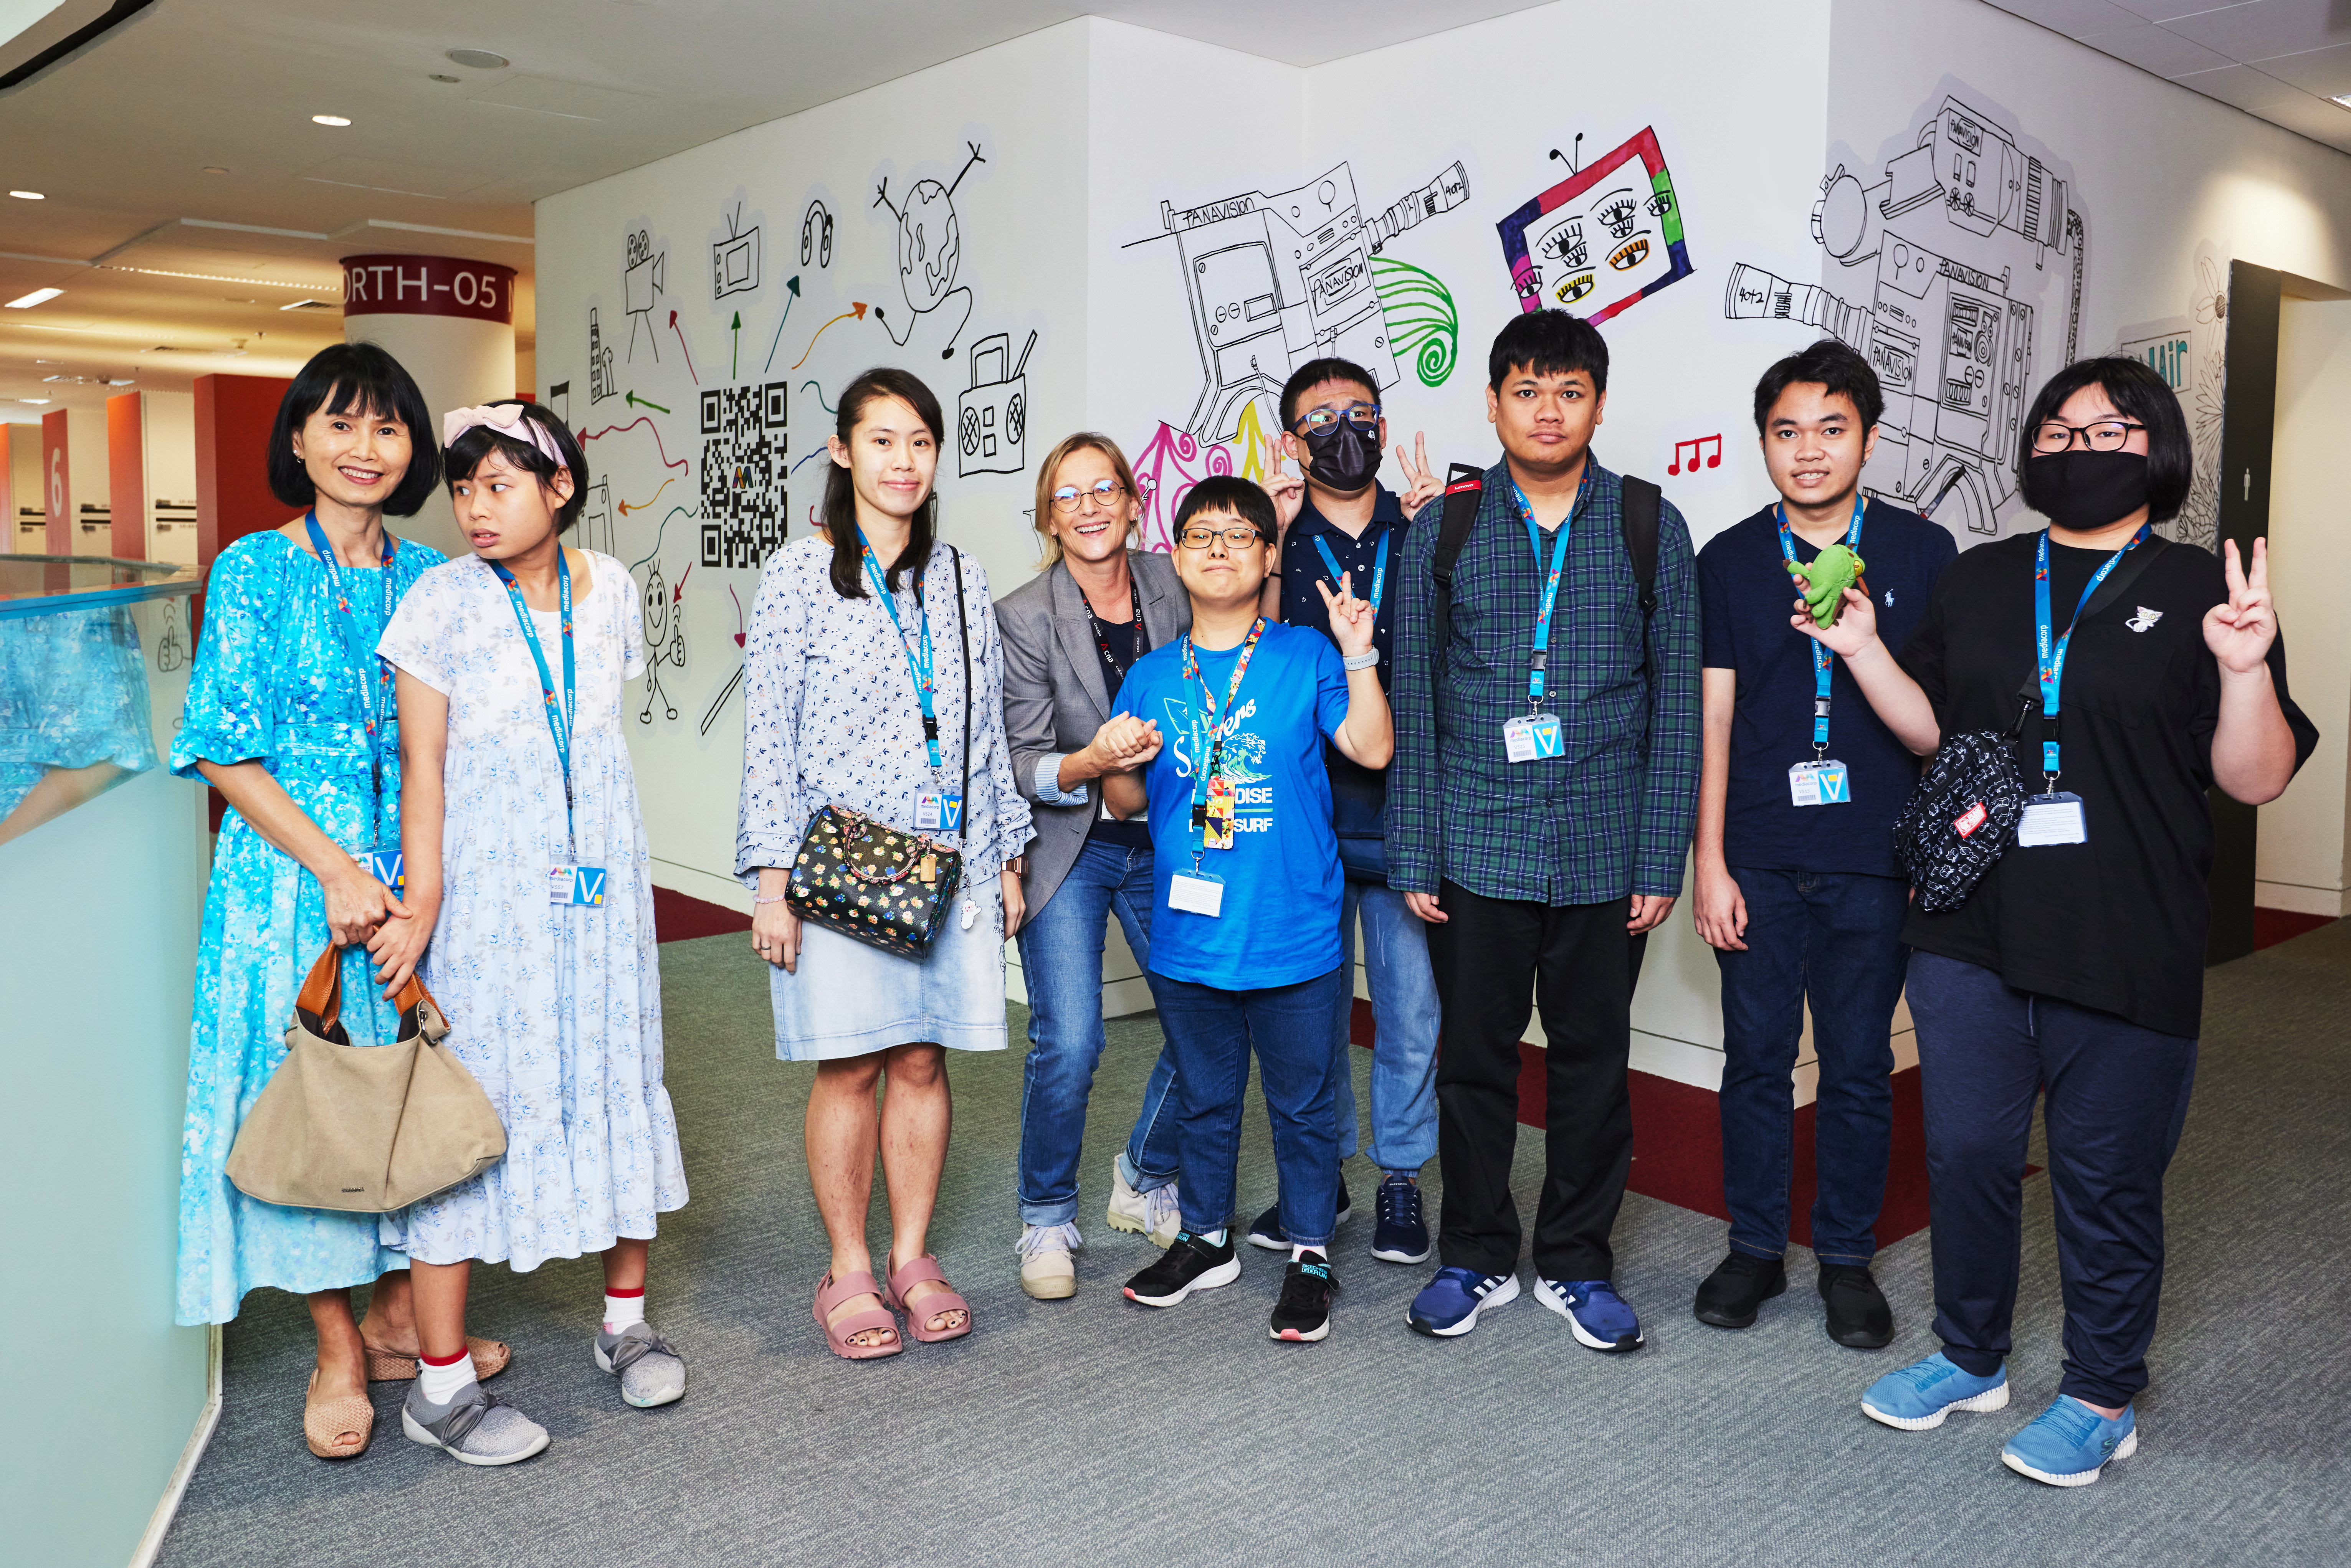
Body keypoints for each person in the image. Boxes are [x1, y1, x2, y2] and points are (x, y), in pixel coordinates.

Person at [1807, 357, 2313, 1486]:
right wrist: (1861, 651)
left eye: (2110, 428)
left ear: (2158, 450)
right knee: (1971, 1151)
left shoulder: (2202, 589)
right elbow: (1937, 734)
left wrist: (2243, 670)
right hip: (1968, 921)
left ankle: (2099, 1389)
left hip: (2126, 929)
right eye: (2058, 427)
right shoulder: (1984, 576)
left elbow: (2255, 777)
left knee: (2104, 1172)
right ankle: (1970, 1353)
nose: (2078, 445)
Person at [170, 343, 505, 1462]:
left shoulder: (434, 579)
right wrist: (334, 868)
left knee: (409, 1087)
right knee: (317, 1100)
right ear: (300, 439)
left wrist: (421, 883)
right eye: (341, 425)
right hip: (290, 879)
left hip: (412, 874)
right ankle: (335, 1346)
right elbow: (222, 749)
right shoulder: (252, 571)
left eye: (389, 428)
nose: (365, 450)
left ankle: (400, 1310)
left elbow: (459, 745)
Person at [373, 400, 690, 1466]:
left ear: (559, 488)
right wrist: (420, 902)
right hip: (490, 897)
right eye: (464, 489)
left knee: (615, 1072)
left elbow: (592, 741)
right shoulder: (438, 602)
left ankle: (624, 1318)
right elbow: (424, 770)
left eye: (499, 485)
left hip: (599, 889)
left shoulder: (614, 593)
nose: (475, 507)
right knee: (475, 1100)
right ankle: (442, 1382)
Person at [1389, 309, 1699, 1350]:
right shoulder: (1447, 527)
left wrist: (1662, 857)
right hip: (1474, 846)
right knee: (1472, 1063)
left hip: (1606, 853)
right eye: (1526, 390)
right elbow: (1418, 701)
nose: (1547, 409)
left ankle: (1574, 1258)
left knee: (1591, 1065)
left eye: (1568, 390)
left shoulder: (1650, 524)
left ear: (1597, 404)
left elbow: (1676, 710)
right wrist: (1416, 850)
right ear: (1492, 403)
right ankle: (1473, 1251)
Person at [738, 367, 1033, 1359]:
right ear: (842, 450)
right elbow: (767, 738)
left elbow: (981, 729)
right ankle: (848, 1265)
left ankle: (911, 1255)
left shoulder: (959, 573)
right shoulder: (796, 572)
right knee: (853, 1061)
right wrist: (770, 883)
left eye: (919, 441)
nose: (903, 461)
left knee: (920, 1054)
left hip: (946, 859)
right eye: (882, 440)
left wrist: (1002, 859)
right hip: (840, 865)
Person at [1689, 341, 1955, 1347]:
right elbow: (1713, 717)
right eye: (1786, 430)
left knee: (1853, 1064)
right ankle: (1754, 1246)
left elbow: (1938, 722)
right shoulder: (1726, 558)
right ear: (1763, 441)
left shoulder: (1923, 556)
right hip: (1755, 848)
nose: (1807, 450)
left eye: (1830, 428)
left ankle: (1845, 1257)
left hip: (1873, 853)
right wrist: (1707, 858)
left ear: (1870, 438)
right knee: (1754, 1059)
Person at [1104, 476, 1391, 1343]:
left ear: (1271, 556)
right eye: (1200, 536)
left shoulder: (1305, 654)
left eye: (1240, 535)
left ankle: (1309, 1249)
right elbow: (1122, 802)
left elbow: (1372, 749)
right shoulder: (1152, 676)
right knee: (1204, 1096)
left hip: (1294, 926)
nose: (1219, 548)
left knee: (1304, 1103)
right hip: (1189, 933)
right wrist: (1118, 756)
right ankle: (1206, 1238)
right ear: (1176, 557)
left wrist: (1357, 650)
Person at [1248, 359, 1447, 1267]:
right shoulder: (1270, 544)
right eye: (1319, 418)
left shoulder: (1432, 526)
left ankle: (1400, 1180)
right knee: (1311, 1015)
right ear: (1292, 441)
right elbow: (1234, 654)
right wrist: (1272, 536)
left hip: (1407, 814)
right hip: (1302, 820)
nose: (1342, 430)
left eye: (1359, 413)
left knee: (1409, 1011)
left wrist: (1446, 528)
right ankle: (1316, 1174)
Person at [995, 432, 1189, 1299]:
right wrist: (1095, 760)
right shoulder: (1023, 614)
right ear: (1048, 516)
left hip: (1176, 844)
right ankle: (1045, 1219)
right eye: (1068, 496)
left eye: (1103, 488)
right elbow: (1022, 764)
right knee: (1070, 1040)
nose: (1089, 507)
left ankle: (1144, 1176)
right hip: (1072, 845)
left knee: (1207, 1024)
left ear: (1131, 498)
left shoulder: (1172, 581)